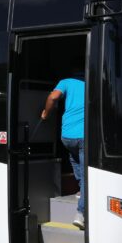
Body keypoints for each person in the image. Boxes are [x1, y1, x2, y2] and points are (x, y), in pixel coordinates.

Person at [41, 76, 86, 227]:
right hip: (84, 136)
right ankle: (81, 213)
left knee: (75, 160)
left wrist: (45, 114)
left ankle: (81, 190)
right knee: (87, 175)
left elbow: (53, 97)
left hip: (67, 136)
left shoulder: (66, 82)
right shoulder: (93, 83)